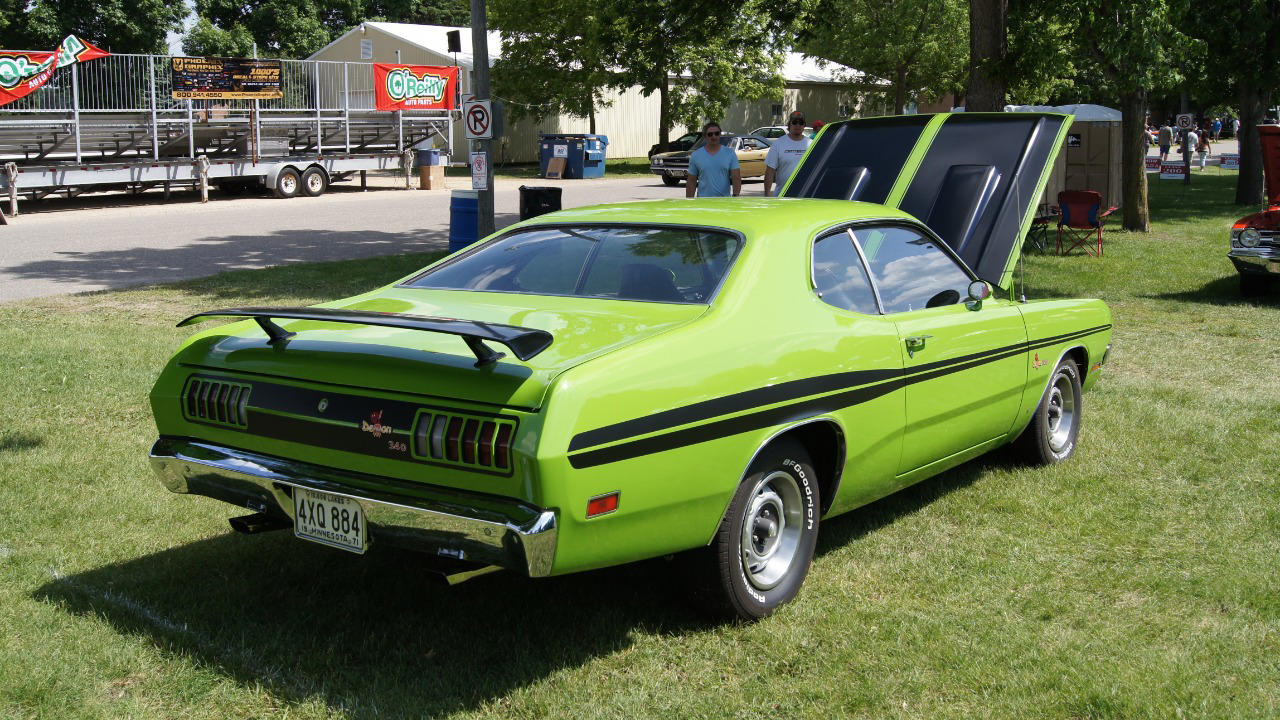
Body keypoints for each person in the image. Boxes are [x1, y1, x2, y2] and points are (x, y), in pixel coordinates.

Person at [763, 111, 812, 196]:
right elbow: (770, 171)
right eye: (794, 122)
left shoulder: (811, 144)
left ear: (804, 125)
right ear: (789, 125)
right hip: (782, 196)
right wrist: (767, 195)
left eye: (801, 123)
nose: (798, 125)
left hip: (806, 196)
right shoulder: (778, 144)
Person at [686, 122, 741, 198]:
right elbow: (691, 181)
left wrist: (735, 197)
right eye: (710, 134)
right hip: (703, 202)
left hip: (724, 202)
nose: (714, 136)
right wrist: (689, 202)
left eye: (717, 133)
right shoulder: (696, 155)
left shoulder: (730, 153)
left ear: (720, 134)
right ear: (705, 136)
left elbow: (736, 177)